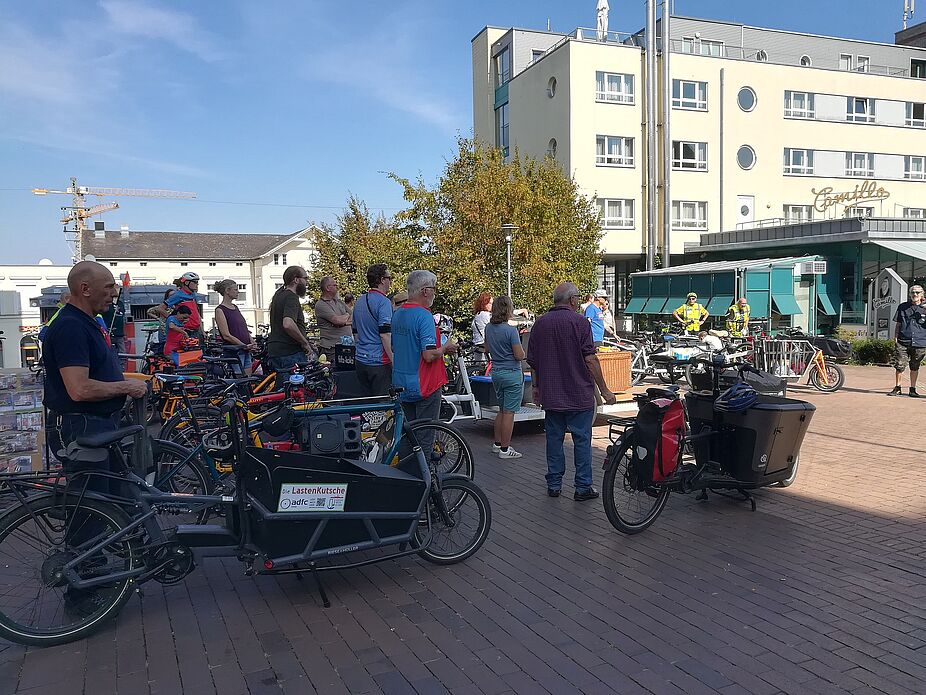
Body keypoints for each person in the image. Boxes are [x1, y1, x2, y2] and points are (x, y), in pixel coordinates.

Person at [42, 262, 148, 529]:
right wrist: (126, 387)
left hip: (97, 423)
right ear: (85, 288)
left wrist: (125, 380)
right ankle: (86, 567)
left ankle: (112, 561)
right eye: (109, 286)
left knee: (111, 501)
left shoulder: (85, 322)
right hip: (84, 425)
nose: (115, 293)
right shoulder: (71, 326)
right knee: (91, 510)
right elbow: (79, 389)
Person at [527, 282, 616, 501]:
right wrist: (604, 390)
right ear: (573, 300)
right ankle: (583, 487)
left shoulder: (540, 323)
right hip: (579, 393)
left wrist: (536, 388)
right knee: (582, 440)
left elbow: (534, 362)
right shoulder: (579, 322)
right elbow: (590, 358)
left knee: (554, 439)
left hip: (552, 394)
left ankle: (554, 484)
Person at [392, 270, 458, 455]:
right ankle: (424, 479)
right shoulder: (424, 316)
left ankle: (406, 476)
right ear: (425, 291)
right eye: (434, 289)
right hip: (425, 384)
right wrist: (445, 348)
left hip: (402, 382)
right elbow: (429, 355)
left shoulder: (397, 314)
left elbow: (394, 347)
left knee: (407, 435)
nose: (434, 293)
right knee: (425, 437)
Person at [485, 296, 525, 459]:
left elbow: (487, 347)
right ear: (508, 310)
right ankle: (505, 449)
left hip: (497, 372)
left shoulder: (488, 327)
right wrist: (523, 353)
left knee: (501, 410)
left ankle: (497, 443)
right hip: (512, 373)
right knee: (509, 413)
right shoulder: (510, 330)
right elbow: (518, 355)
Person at [267, 266, 314, 388]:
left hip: (275, 349)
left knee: (282, 390)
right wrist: (304, 343)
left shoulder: (278, 295)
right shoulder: (291, 297)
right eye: (305, 278)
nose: (307, 282)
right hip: (290, 351)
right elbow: (288, 324)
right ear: (296, 279)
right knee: (295, 391)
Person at [353, 263, 394, 396]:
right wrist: (393, 360)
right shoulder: (384, 302)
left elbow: (355, 333)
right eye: (389, 278)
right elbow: (385, 335)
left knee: (366, 406)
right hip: (379, 362)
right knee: (381, 408)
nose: (391, 282)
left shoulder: (359, 301)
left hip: (360, 360)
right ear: (382, 280)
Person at [888, 284, 926, 397]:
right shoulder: (903, 307)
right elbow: (898, 323)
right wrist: (895, 336)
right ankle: (898, 387)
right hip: (903, 340)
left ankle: (912, 389)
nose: (915, 294)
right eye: (913, 292)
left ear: (922, 294)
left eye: (917, 292)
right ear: (910, 294)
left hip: (920, 341)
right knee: (899, 365)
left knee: (915, 366)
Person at [214, 279, 256, 374]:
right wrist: (243, 345)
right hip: (235, 351)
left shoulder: (235, 307)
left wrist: (251, 341)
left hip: (245, 350)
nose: (238, 292)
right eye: (235, 289)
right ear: (227, 291)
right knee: (239, 379)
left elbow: (243, 327)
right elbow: (226, 335)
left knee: (247, 381)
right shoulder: (220, 310)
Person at [314, 276, 352, 351]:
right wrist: (347, 315)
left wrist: (344, 322)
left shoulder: (339, 302)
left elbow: (353, 315)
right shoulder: (321, 304)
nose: (337, 287)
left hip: (346, 345)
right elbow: (337, 320)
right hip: (332, 348)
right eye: (334, 285)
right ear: (328, 288)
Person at [166, 272, 203, 342]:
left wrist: (202, 330)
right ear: (186, 283)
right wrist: (173, 320)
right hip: (185, 331)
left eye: (197, 282)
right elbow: (160, 308)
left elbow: (196, 313)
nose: (197, 284)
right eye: (194, 282)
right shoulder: (177, 295)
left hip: (196, 331)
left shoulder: (193, 295)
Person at [101, 291, 127, 367]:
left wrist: (124, 332)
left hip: (120, 334)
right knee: (109, 352)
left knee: (123, 354)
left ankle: (122, 369)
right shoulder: (106, 303)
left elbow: (123, 319)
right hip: (109, 333)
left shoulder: (120, 304)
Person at [147, 287, 176, 354]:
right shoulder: (164, 306)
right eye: (171, 295)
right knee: (163, 349)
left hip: (174, 330)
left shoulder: (177, 306)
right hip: (163, 330)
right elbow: (149, 311)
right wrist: (158, 318)